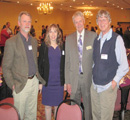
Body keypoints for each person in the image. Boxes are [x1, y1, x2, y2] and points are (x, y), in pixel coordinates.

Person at [2, 11, 46, 120]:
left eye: (29, 21)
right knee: (19, 115)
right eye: (24, 21)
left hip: (34, 82)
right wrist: (12, 84)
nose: (27, 24)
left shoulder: (34, 41)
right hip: (20, 84)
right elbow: (6, 67)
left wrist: (38, 81)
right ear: (19, 23)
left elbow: (35, 62)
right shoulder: (11, 42)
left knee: (31, 114)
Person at [91, 10, 129, 120]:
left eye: (104, 19)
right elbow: (95, 62)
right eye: (99, 19)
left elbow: (124, 65)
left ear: (109, 21)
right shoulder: (97, 40)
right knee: (96, 117)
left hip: (107, 87)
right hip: (95, 87)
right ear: (97, 22)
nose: (102, 22)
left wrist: (114, 82)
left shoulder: (117, 39)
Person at [65, 11, 97, 120]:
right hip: (74, 78)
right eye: (76, 22)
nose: (78, 24)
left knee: (88, 105)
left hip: (88, 78)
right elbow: (67, 62)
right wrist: (67, 82)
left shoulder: (93, 36)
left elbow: (96, 59)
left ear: (84, 21)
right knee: (74, 104)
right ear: (74, 23)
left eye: (80, 21)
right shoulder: (69, 39)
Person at [38, 24, 65, 120]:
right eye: (51, 31)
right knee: (47, 106)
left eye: (55, 31)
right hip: (47, 82)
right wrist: (40, 82)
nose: (53, 34)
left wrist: (65, 82)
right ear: (47, 33)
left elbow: (65, 65)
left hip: (59, 82)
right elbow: (40, 65)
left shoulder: (62, 46)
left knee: (58, 105)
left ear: (58, 33)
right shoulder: (44, 46)